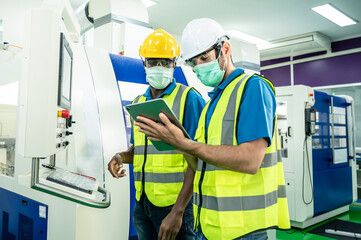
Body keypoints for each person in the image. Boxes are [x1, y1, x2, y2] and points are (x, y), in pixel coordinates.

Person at [134, 19, 291, 240]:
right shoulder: (211, 104)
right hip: (209, 225)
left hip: (243, 229)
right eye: (193, 62)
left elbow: (250, 160)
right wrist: (174, 142)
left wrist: (184, 143)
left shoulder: (253, 87)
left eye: (204, 58)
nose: (199, 67)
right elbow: (199, 162)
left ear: (225, 49)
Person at [108, 29, 205, 240]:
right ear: (144, 64)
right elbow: (141, 150)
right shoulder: (138, 103)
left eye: (165, 62)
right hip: (143, 204)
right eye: (153, 62)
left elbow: (199, 158)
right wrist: (121, 157)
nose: (158, 68)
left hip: (176, 205)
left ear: (174, 64)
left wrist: (178, 212)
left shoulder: (189, 99)